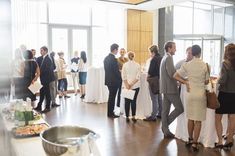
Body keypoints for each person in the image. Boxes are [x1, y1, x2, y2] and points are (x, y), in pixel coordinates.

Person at [173, 45, 209, 151]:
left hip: (190, 94)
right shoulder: (204, 65)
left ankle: (189, 138)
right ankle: (195, 143)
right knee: (198, 121)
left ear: (192, 53)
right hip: (200, 95)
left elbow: (175, 75)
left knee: (190, 118)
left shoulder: (187, 65)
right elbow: (206, 81)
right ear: (200, 53)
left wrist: (185, 82)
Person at [159, 41, 184, 138]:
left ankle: (165, 129)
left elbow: (169, 73)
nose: (176, 49)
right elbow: (172, 73)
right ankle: (165, 127)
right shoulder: (169, 58)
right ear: (169, 48)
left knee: (165, 111)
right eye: (174, 47)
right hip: (170, 89)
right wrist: (182, 80)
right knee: (180, 108)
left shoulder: (165, 57)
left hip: (165, 88)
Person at [215, 43, 235, 150]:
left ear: (226, 52)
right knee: (232, 118)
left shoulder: (225, 64)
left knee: (217, 118)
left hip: (225, 93)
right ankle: (229, 140)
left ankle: (219, 141)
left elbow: (223, 80)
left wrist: (218, 80)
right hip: (234, 95)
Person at [144, 45, 162, 121]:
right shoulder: (161, 58)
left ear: (153, 52)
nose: (150, 54)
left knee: (154, 98)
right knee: (159, 98)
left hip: (153, 80)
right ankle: (160, 113)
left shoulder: (153, 59)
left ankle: (153, 116)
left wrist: (147, 78)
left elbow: (150, 71)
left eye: (150, 52)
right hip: (160, 79)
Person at [35, 46, 55, 113]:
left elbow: (47, 70)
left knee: (47, 93)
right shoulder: (43, 58)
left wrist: (39, 73)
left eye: (42, 50)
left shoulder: (48, 58)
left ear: (45, 51)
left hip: (47, 79)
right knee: (42, 92)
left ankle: (47, 107)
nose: (40, 52)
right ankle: (39, 105)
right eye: (40, 50)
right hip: (43, 79)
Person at [122, 51, 140, 123]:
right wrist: (132, 84)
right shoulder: (138, 65)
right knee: (133, 101)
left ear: (128, 56)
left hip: (126, 86)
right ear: (133, 56)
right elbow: (138, 77)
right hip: (135, 86)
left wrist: (127, 85)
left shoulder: (125, 65)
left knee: (127, 102)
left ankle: (127, 117)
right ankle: (133, 116)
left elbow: (123, 76)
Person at [104, 43, 121, 118]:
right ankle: (110, 113)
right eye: (117, 50)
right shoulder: (113, 59)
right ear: (114, 50)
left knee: (111, 96)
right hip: (114, 81)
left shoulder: (106, 58)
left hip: (108, 80)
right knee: (112, 97)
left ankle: (110, 112)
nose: (118, 51)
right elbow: (116, 71)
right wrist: (121, 77)